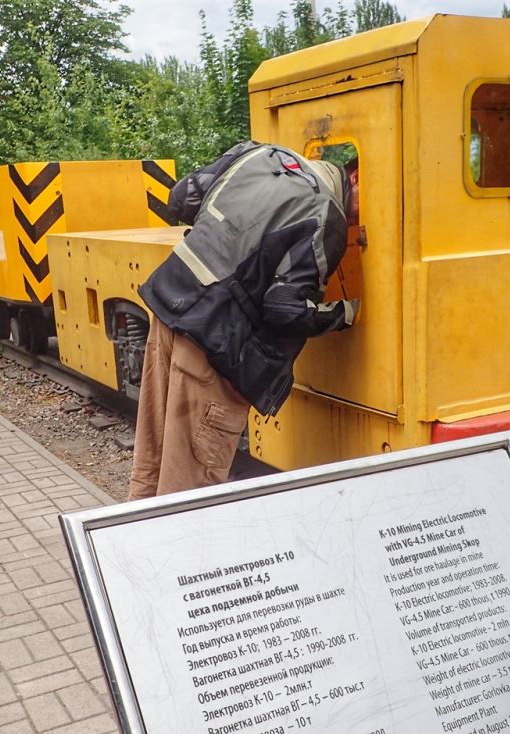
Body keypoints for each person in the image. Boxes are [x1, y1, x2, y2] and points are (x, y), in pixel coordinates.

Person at [127, 141, 360, 500]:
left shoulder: (259, 154)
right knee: (191, 490)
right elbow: (285, 310)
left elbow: (181, 199)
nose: (359, 219)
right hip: (215, 350)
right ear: (355, 178)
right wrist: (344, 313)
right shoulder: (327, 215)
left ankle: (131, 550)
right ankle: (183, 555)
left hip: (169, 311)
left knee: (153, 462)